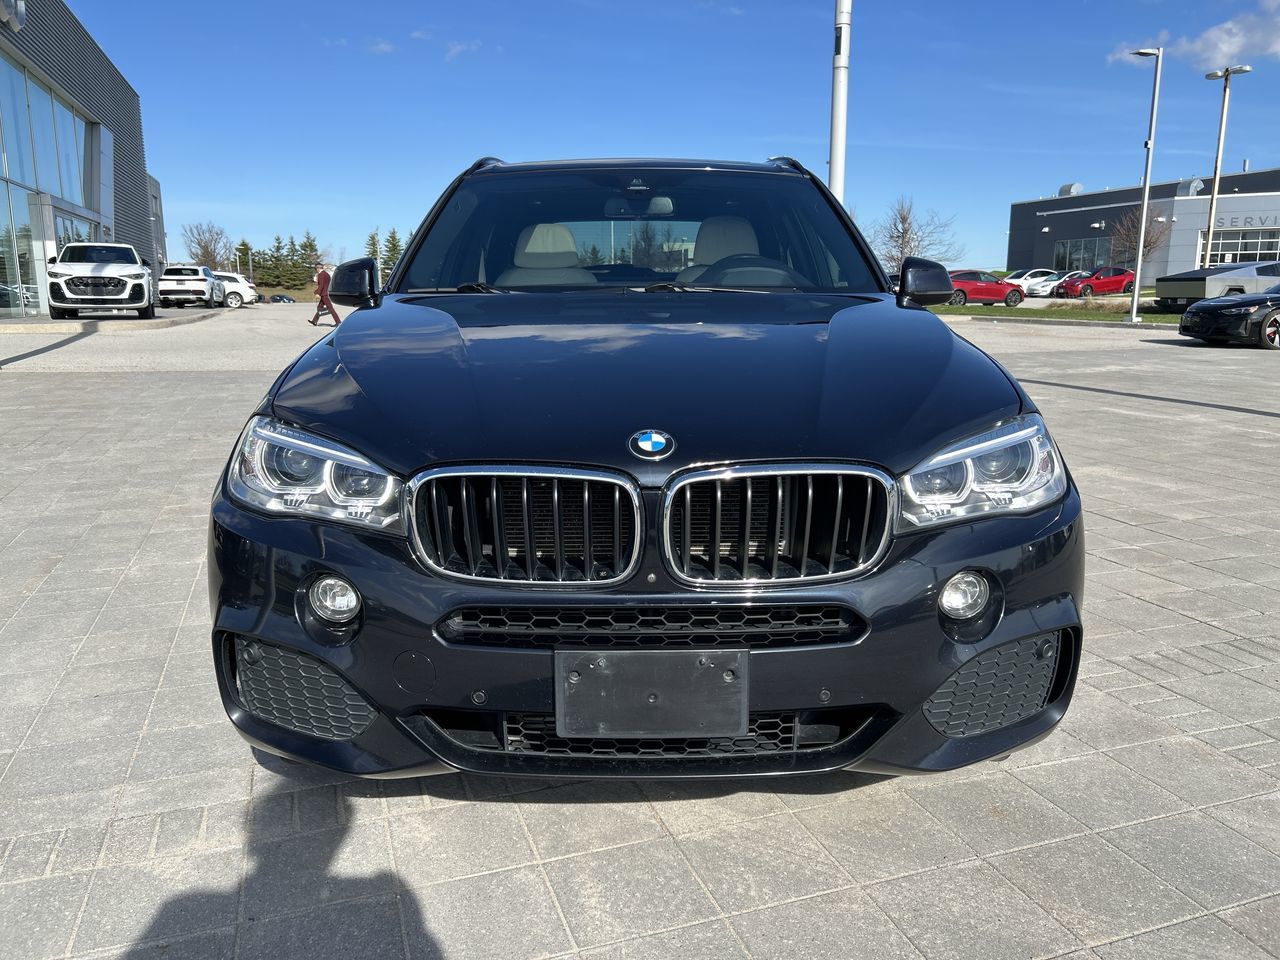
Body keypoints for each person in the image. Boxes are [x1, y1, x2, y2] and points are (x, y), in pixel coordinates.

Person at [309, 261, 341, 326]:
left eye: (316, 269)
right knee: (319, 307)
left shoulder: (321, 275)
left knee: (330, 308)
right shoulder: (327, 274)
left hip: (324, 294)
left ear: (318, 268)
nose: (316, 270)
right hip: (326, 293)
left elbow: (321, 285)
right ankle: (314, 321)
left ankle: (338, 322)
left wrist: (317, 293)